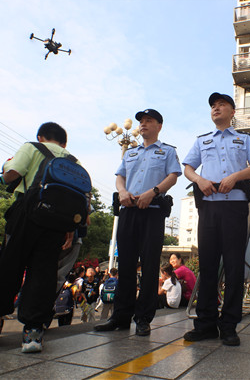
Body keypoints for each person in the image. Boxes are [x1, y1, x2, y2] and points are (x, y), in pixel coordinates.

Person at [0, 122, 83, 353]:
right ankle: (33, 332)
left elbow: (12, 175)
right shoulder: (73, 161)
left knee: (9, 267)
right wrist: (69, 228)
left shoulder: (32, 147)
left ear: (41, 136)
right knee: (43, 274)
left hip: (27, 212)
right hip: (57, 222)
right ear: (64, 143)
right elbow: (77, 197)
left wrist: (3, 175)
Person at [182, 92, 250, 346]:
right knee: (207, 267)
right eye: (213, 106)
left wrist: (236, 177)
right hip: (208, 208)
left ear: (232, 112)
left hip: (235, 208)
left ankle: (229, 326)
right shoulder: (202, 141)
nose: (216, 108)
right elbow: (188, 168)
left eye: (222, 105)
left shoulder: (244, 139)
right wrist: (200, 179)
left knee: (232, 267)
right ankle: (205, 324)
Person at [94, 108, 181, 336]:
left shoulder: (167, 151)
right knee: (126, 266)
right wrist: (122, 192)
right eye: (141, 121)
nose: (143, 124)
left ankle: (143, 318)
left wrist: (153, 192)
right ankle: (120, 317)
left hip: (152, 212)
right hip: (128, 211)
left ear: (159, 126)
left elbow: (172, 176)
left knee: (150, 266)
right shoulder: (130, 152)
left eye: (148, 120)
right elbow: (120, 176)